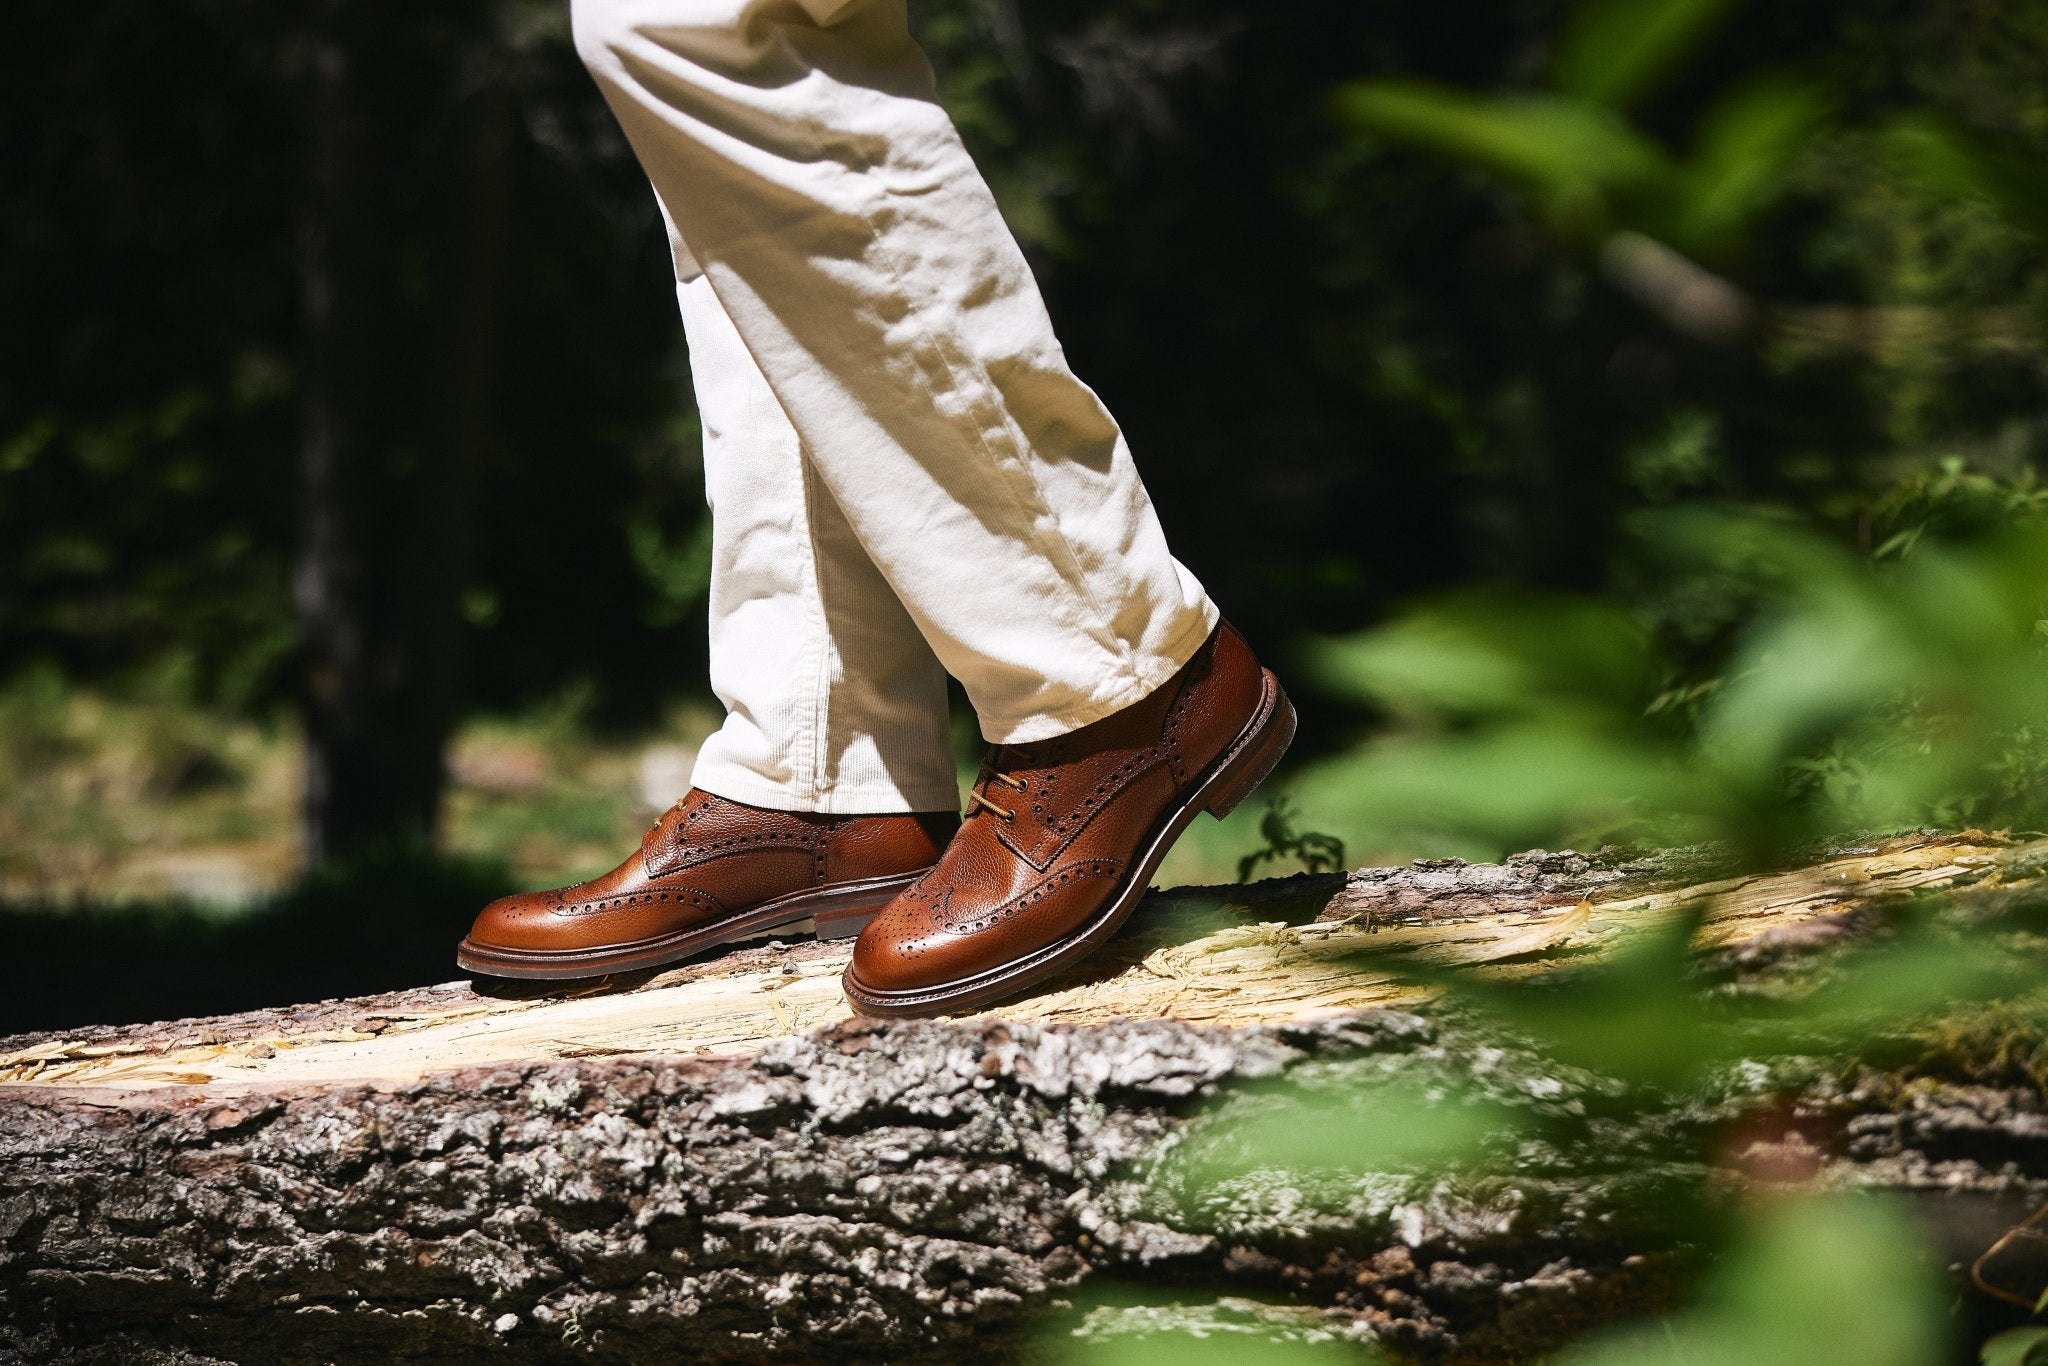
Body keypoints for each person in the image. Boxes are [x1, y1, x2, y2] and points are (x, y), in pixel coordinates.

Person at [455, 0, 1294, 1017]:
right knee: (725, 140)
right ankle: (819, 774)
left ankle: (1109, 672)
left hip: (1109, 671)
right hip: (820, 762)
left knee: (710, 25)